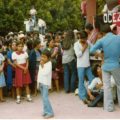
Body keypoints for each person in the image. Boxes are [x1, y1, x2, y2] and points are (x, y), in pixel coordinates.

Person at [90, 24, 120, 112]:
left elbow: (91, 50)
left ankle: (109, 107)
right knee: (119, 85)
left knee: (107, 87)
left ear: (102, 32)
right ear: (110, 30)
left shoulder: (102, 40)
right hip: (115, 65)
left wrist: (99, 53)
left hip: (105, 66)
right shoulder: (118, 38)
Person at [74, 30, 94, 104]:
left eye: (85, 39)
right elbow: (78, 55)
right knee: (81, 81)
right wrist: (84, 47)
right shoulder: (76, 44)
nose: (83, 40)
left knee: (92, 79)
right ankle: (82, 96)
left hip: (87, 65)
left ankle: (90, 93)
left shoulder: (88, 42)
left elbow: (94, 48)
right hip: (80, 66)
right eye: (82, 39)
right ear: (79, 37)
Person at [37, 49, 54, 119]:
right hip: (41, 82)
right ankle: (45, 111)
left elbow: (45, 73)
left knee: (45, 98)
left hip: (45, 83)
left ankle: (50, 112)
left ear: (48, 58)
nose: (42, 58)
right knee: (43, 98)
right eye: (42, 56)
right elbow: (39, 73)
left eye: (44, 57)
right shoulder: (41, 63)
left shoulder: (49, 64)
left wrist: (42, 65)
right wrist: (38, 83)